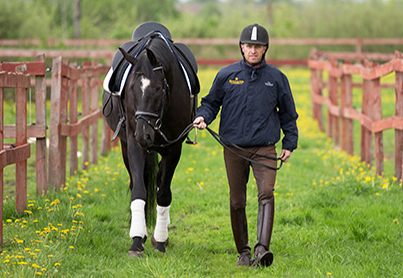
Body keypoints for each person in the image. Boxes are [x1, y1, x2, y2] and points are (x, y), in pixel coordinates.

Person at [193, 23, 298, 267]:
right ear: (242, 47)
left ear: (265, 49)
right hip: (233, 148)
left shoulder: (277, 78)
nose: (253, 50)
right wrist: (203, 117)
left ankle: (262, 250)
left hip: (265, 148)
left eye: (258, 46)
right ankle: (243, 251)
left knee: (266, 193)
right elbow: (210, 103)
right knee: (237, 200)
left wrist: (289, 143)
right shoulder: (226, 75)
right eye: (249, 46)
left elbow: (288, 114)